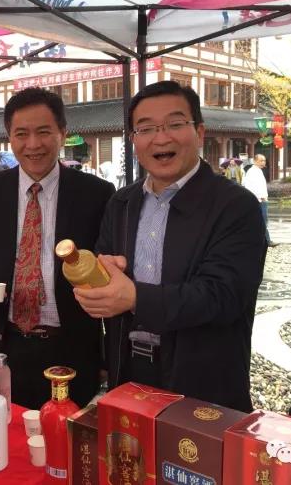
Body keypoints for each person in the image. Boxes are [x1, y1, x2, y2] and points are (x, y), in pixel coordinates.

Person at [74, 81, 266, 412]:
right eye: (146, 128)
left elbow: (224, 295)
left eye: (175, 124)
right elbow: (105, 264)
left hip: (202, 384)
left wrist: (135, 297)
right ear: (134, 140)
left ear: (199, 132)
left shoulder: (236, 206)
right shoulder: (122, 203)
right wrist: (99, 278)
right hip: (129, 375)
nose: (161, 138)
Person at [0, 87, 115, 409]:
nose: (33, 144)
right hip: (2, 349)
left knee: (66, 435)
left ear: (62, 133)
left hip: (71, 351)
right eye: (21, 134)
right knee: (1, 433)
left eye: (44, 132)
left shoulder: (97, 194)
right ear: (9, 137)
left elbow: (107, 270)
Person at [242, 154, 274, 246]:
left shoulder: (258, 171)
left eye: (264, 160)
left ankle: (263, 240)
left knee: (262, 221)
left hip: (262, 199)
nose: (263, 162)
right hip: (258, 200)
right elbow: (250, 187)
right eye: (261, 161)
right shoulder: (252, 172)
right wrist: (261, 197)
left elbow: (261, 186)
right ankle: (266, 241)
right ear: (255, 161)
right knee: (262, 221)